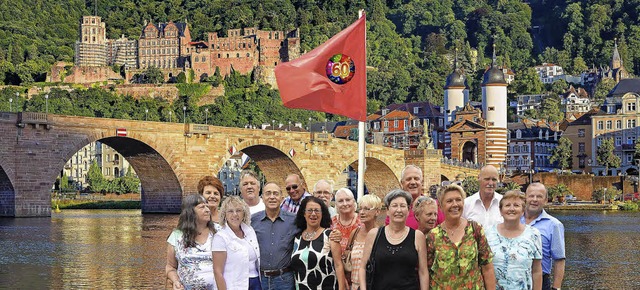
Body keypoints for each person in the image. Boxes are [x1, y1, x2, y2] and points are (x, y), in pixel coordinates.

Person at [426, 184, 496, 289]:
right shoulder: (433, 236)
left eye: (458, 200)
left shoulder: (475, 229)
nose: (455, 204)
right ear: (440, 207)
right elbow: (427, 271)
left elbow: (487, 268)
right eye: (449, 201)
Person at [358, 189, 429, 290]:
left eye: (403, 206)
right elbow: (363, 267)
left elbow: (423, 272)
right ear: (387, 210)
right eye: (394, 205)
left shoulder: (418, 236)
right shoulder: (374, 234)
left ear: (408, 210)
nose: (399, 210)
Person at [486, 190, 542, 290]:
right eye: (507, 205)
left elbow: (536, 271)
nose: (511, 209)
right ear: (500, 210)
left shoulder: (534, 234)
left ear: (523, 210)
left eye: (516, 205)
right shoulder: (487, 233)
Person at [290, 196, 346, 290]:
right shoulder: (297, 238)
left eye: (317, 210)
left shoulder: (330, 236)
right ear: (303, 213)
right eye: (309, 210)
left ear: (322, 214)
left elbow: (338, 265)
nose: (313, 214)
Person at [251, 182, 298, 290]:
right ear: (262, 198)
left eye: (275, 194)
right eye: (268, 193)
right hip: (260, 279)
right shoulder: (253, 221)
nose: (272, 197)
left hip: (284, 279)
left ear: (282, 198)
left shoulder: (294, 220)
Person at [166, 194, 218, 290]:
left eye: (207, 206)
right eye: (202, 207)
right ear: (190, 212)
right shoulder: (176, 236)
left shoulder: (219, 232)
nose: (207, 210)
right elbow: (171, 267)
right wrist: (175, 281)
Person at [522, 183, 566, 290]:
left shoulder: (554, 225)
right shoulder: (514, 220)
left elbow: (559, 259)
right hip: (515, 279)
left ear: (546, 200)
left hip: (541, 281)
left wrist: (556, 288)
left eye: (539, 196)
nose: (534, 199)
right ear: (525, 198)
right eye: (531, 196)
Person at [213, 196, 261, 290]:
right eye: (230, 211)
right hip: (234, 285)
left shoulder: (250, 231)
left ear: (244, 213)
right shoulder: (220, 237)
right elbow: (217, 271)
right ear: (224, 215)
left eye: (238, 210)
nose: (235, 214)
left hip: (255, 282)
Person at [385, 165, 444, 229]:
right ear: (402, 183)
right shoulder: (395, 209)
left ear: (421, 182)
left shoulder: (435, 206)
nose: (413, 182)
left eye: (416, 179)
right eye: (408, 179)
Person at [347, 194, 382, 290]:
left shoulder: (381, 234)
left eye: (366, 209)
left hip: (374, 285)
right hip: (354, 286)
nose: (362, 212)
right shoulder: (355, 232)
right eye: (360, 209)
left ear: (377, 212)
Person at [332, 188, 361, 253]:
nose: (345, 204)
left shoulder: (362, 222)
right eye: (340, 201)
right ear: (336, 204)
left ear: (353, 202)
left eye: (348, 200)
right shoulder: (330, 223)